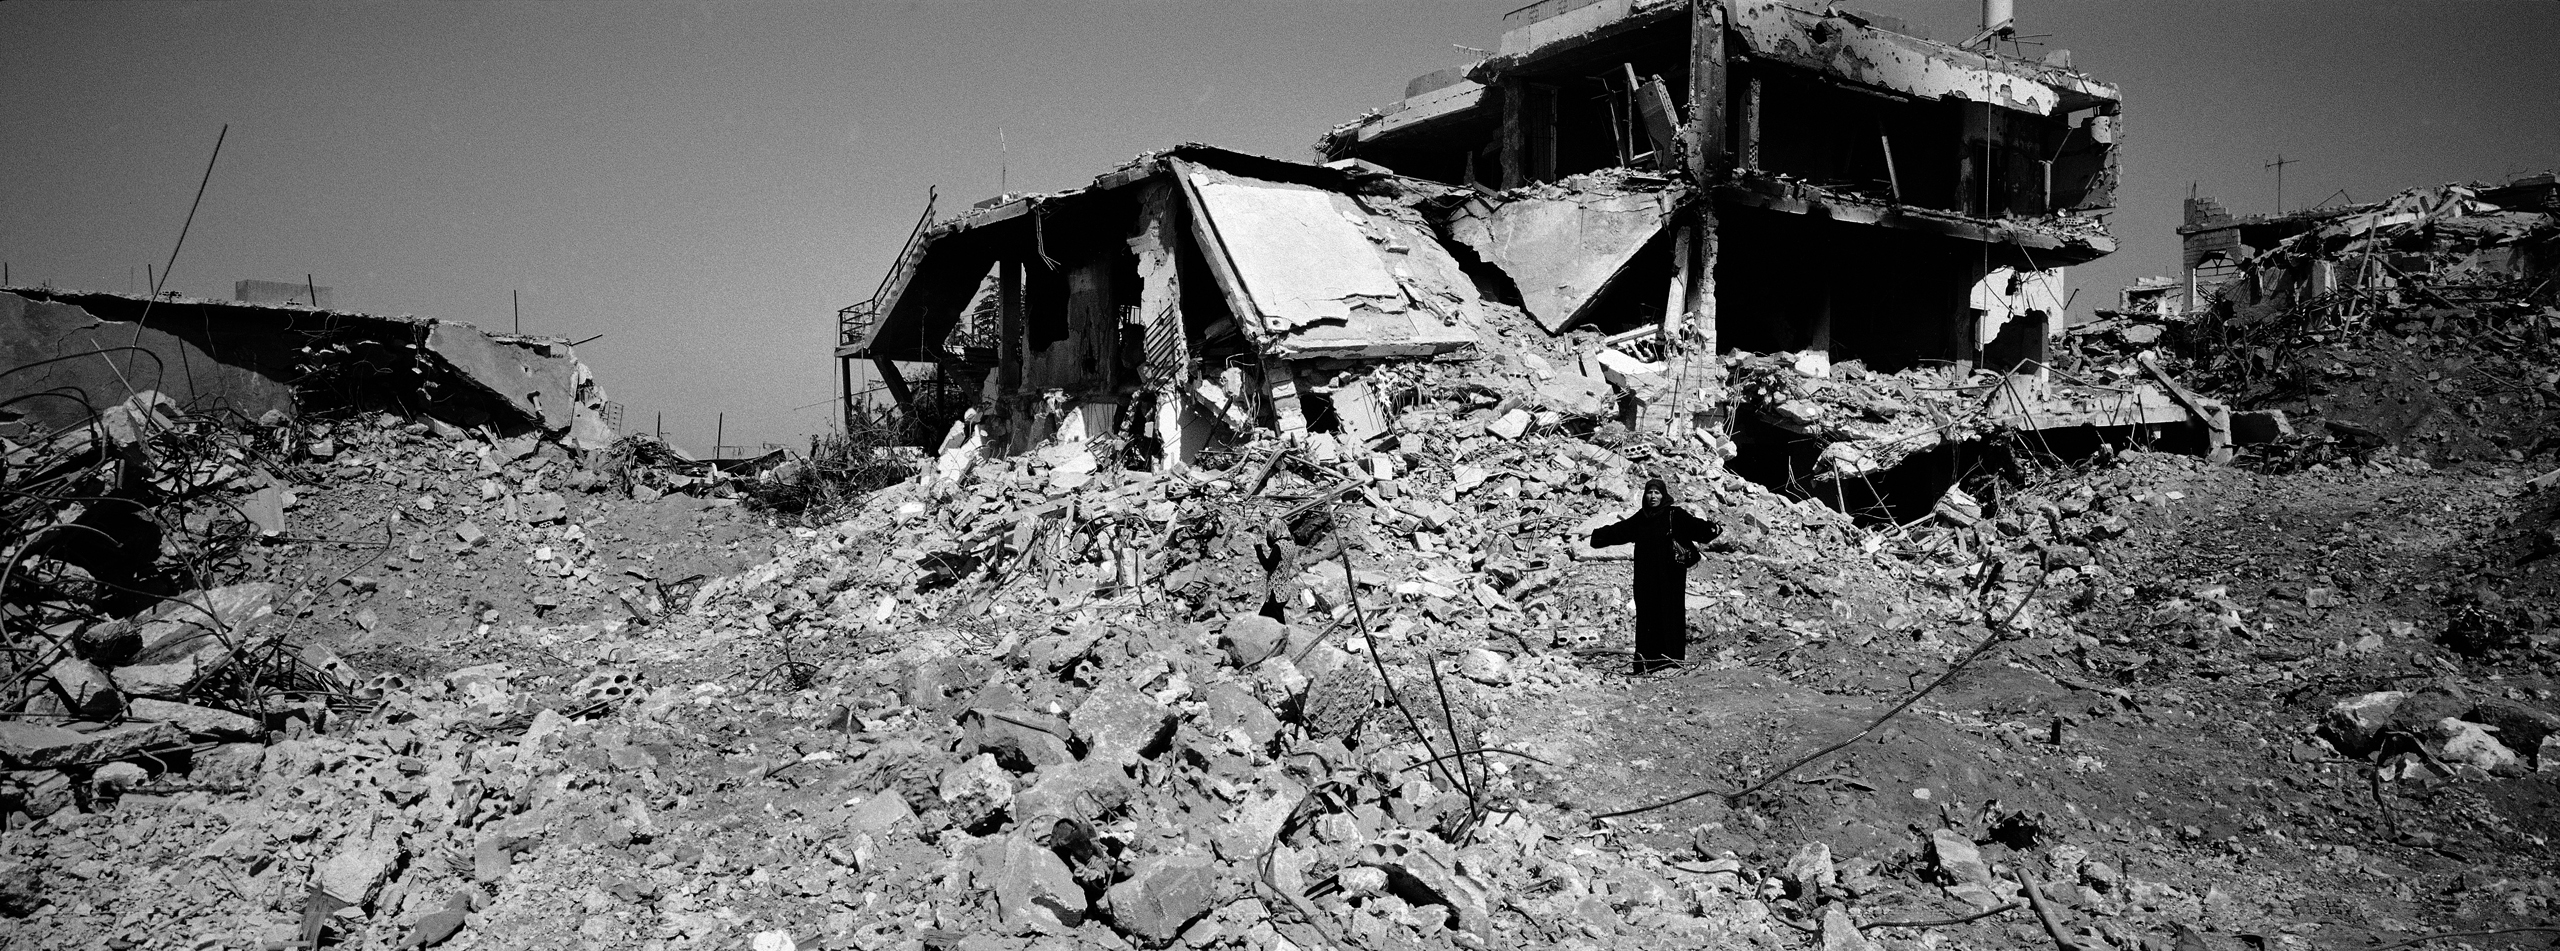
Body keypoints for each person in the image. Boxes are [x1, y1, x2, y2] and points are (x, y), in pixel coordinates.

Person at [1588, 477, 1720, 674]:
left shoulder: (1674, 515)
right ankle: (1645, 665)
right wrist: (1595, 535)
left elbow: (1694, 527)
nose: (1653, 496)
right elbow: (1620, 531)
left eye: (1657, 493)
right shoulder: (1642, 518)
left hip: (1670, 578)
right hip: (1645, 579)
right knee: (1647, 618)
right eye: (1650, 492)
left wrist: (1711, 528)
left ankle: (1671, 663)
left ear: (1664, 495)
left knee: (1670, 616)